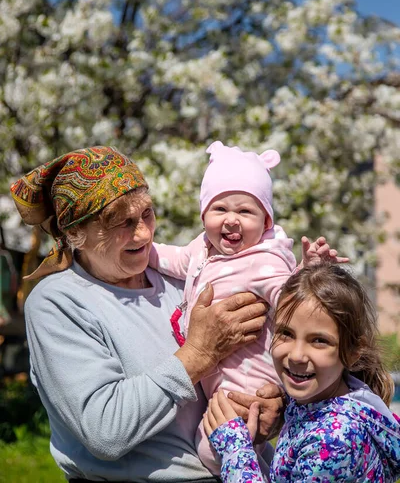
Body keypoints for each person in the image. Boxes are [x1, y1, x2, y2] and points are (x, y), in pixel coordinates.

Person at [9, 145, 285, 483]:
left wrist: (274, 408)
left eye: (146, 215)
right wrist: (198, 354)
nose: (143, 233)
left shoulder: (185, 277)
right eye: (121, 223)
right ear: (75, 235)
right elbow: (106, 430)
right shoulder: (58, 303)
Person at [149, 141, 347, 473]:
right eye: (220, 209)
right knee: (221, 444)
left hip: (246, 381)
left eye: (245, 211)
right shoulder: (201, 248)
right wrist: (142, 249)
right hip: (216, 378)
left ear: (266, 220)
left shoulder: (263, 261)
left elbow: (292, 299)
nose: (232, 221)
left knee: (212, 448)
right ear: (204, 214)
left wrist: (307, 270)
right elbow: (170, 258)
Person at [204, 264, 400, 482]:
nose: (297, 355)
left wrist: (236, 451)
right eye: (286, 333)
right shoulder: (325, 403)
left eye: (319, 340)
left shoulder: (333, 440)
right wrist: (285, 402)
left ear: (353, 352)